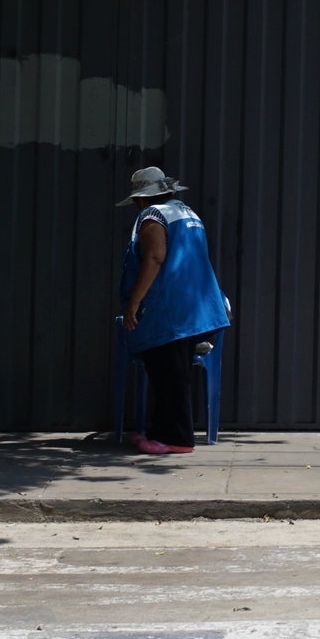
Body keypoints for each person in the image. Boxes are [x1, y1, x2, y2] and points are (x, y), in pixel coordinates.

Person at [117, 167, 230, 456]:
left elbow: (154, 257)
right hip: (195, 307)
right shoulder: (187, 213)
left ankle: (177, 439)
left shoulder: (153, 216)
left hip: (171, 310)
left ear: (142, 199)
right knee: (169, 372)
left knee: (168, 374)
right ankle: (159, 433)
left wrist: (133, 302)